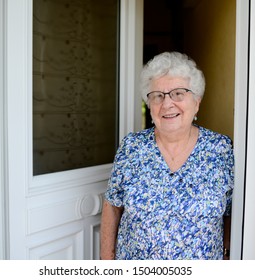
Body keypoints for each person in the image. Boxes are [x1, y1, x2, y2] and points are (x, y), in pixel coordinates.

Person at [100, 52, 234, 260]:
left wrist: (226, 255)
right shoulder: (132, 147)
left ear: (197, 102)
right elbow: (112, 206)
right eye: (158, 96)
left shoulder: (221, 149)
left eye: (178, 93)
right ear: (150, 105)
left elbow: (232, 213)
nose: (167, 104)